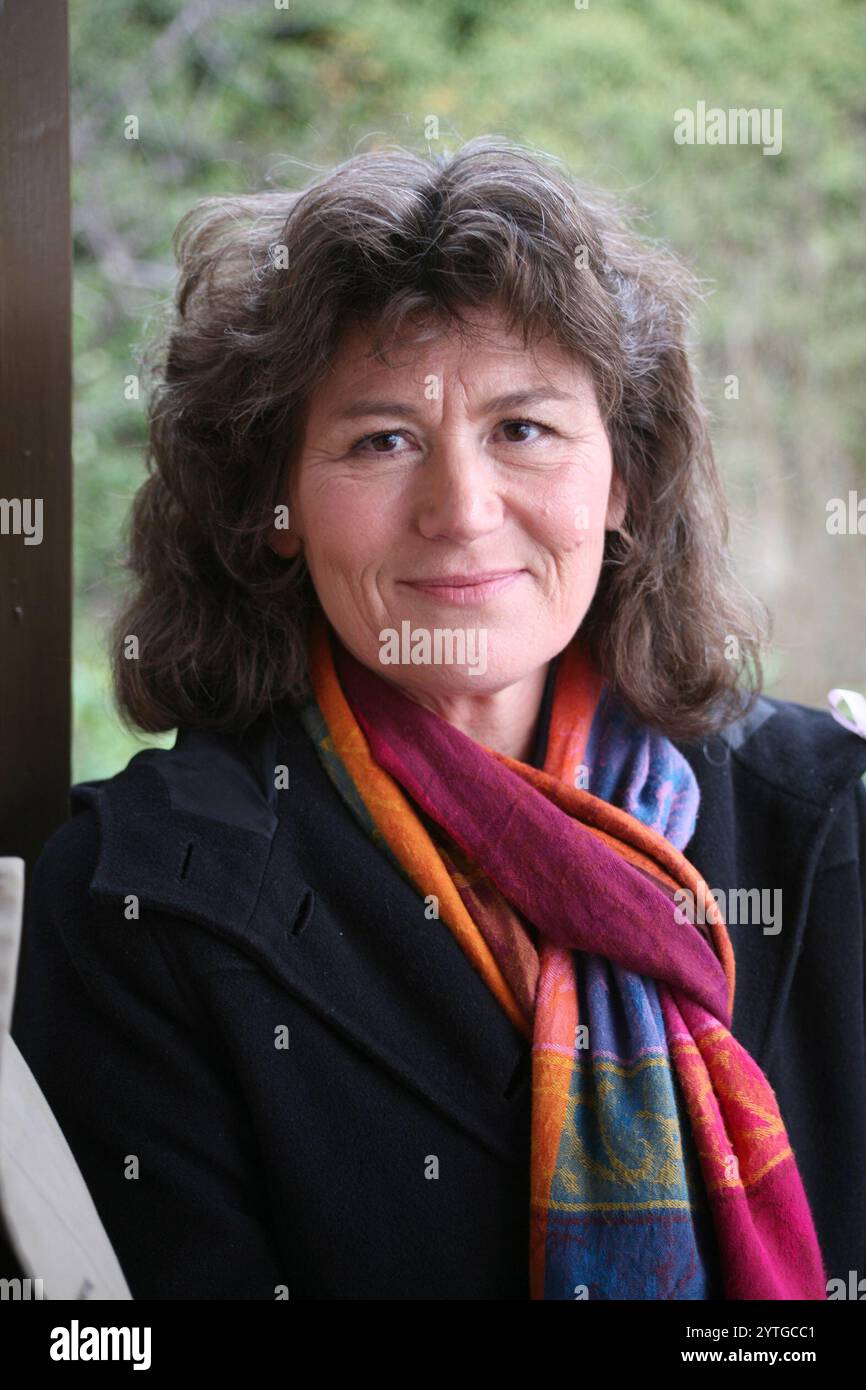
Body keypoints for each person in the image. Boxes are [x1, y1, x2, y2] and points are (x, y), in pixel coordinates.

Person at [12, 136, 866, 1301]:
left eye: (523, 428)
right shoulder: (139, 899)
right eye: (381, 441)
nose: (460, 512)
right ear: (274, 504)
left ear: (619, 479)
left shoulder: (826, 821)